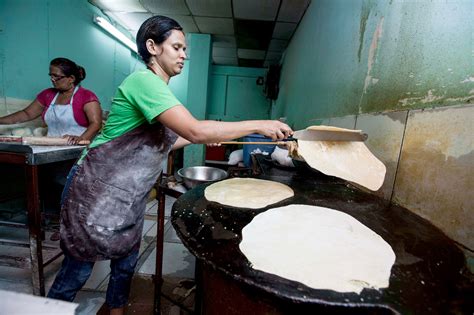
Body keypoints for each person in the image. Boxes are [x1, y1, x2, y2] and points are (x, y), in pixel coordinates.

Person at [47, 16, 292, 315]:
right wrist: (259, 125)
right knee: (78, 270)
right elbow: (195, 130)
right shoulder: (143, 82)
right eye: (176, 47)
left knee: (125, 265)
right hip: (96, 190)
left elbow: (164, 142)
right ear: (152, 47)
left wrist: (201, 136)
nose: (184, 55)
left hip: (127, 196)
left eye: (185, 49)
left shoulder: (160, 91)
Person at [0, 57, 102, 144]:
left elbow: (96, 123)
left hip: (78, 148)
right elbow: (26, 114)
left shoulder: (86, 96)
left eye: (56, 76)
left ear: (71, 78)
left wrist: (82, 138)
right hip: (52, 145)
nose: (52, 79)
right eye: (51, 76)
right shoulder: (48, 94)